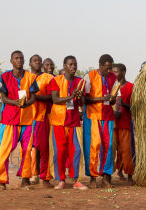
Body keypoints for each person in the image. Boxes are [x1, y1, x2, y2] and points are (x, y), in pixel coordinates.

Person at [0, 50, 39, 190]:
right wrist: (16, 102)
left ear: (24, 61)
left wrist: (28, 103)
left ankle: (25, 180)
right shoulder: (4, 76)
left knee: (26, 152)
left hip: (27, 120)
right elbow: (4, 98)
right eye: (16, 58)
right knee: (5, 151)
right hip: (9, 120)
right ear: (11, 61)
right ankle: (1, 181)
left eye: (21, 58)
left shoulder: (31, 77)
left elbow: (33, 96)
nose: (19, 60)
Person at [48, 55, 87, 190]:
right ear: (64, 66)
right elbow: (55, 99)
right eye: (70, 64)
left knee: (76, 150)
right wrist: (72, 96)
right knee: (60, 151)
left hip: (74, 121)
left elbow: (82, 103)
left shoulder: (80, 82)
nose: (73, 67)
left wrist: (80, 96)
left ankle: (76, 179)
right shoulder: (56, 80)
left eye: (75, 64)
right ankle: (61, 180)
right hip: (58, 121)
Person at [83, 54, 117, 188]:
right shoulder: (89, 76)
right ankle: (92, 177)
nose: (109, 71)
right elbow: (85, 99)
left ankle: (106, 177)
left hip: (108, 116)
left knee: (108, 147)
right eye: (107, 69)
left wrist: (112, 99)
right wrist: (102, 99)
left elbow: (114, 98)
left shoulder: (113, 78)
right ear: (100, 66)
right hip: (93, 116)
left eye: (111, 68)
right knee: (93, 146)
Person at [28, 54, 54, 187]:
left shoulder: (48, 78)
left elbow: (52, 97)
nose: (37, 63)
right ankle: (29, 176)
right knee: (28, 149)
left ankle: (45, 178)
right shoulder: (25, 77)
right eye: (34, 61)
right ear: (30, 64)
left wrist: (35, 97)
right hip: (27, 118)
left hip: (43, 117)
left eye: (39, 61)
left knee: (44, 148)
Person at [112, 63, 135, 185]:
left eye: (117, 71)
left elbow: (134, 107)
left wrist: (122, 104)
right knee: (111, 150)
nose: (114, 74)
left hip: (125, 123)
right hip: (112, 124)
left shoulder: (131, 87)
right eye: (113, 72)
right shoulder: (111, 86)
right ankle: (108, 176)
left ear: (124, 72)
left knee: (126, 151)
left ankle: (130, 175)